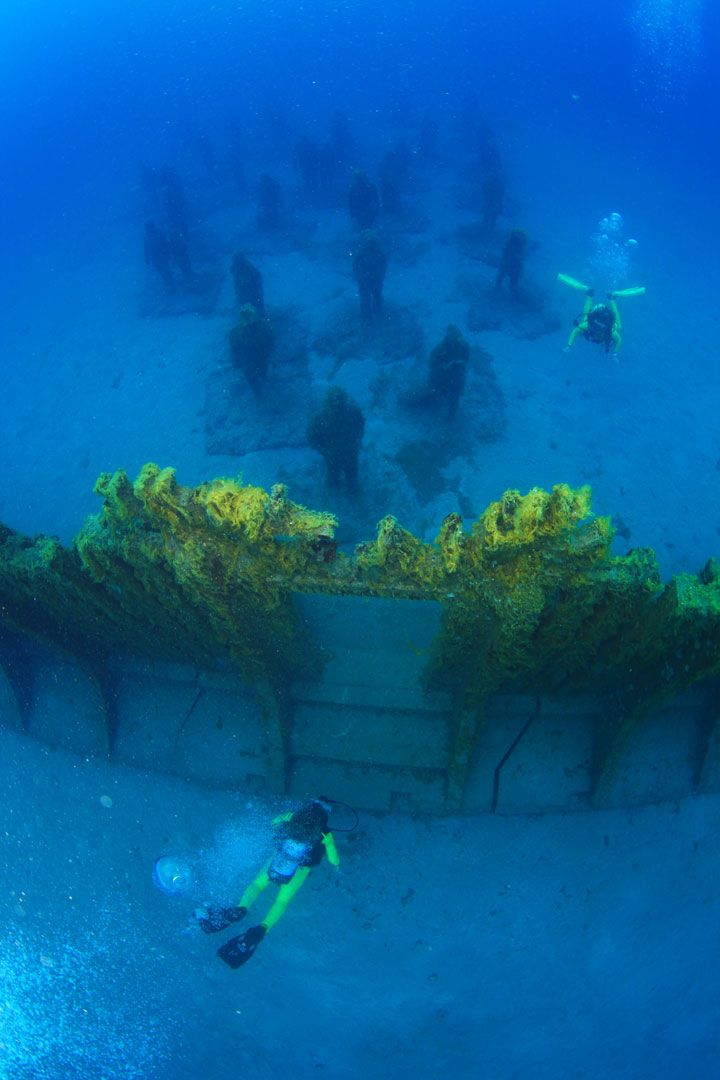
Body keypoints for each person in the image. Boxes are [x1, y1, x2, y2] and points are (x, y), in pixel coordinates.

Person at [193, 797, 341, 969]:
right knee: (281, 901)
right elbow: (332, 857)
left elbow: (272, 824)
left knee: (257, 885)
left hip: (275, 862)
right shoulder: (325, 833)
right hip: (298, 870)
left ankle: (241, 908)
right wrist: (336, 866)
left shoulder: (291, 816)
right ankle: (263, 928)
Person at [558, 273, 645, 354]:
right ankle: (609, 298)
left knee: (588, 320)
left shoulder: (605, 330)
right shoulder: (608, 331)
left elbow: (576, 331)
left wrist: (569, 345)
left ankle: (591, 294)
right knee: (617, 327)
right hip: (597, 315)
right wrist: (615, 353)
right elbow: (618, 340)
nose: (597, 333)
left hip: (597, 315)